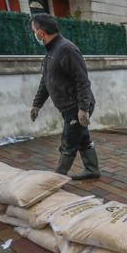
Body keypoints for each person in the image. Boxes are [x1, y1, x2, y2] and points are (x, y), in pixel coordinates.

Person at [30, 13, 100, 180]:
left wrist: (83, 109)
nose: (34, 34)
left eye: (34, 31)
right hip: (69, 106)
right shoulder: (51, 52)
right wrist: (36, 105)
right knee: (82, 138)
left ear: (40, 33)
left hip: (76, 106)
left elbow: (82, 80)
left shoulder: (66, 49)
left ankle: (56, 180)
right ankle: (92, 170)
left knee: (68, 141)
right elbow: (46, 81)